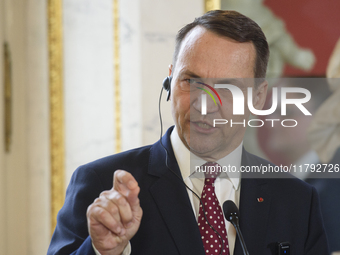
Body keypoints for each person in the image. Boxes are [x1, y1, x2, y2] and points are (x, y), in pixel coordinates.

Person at [47, 10, 329, 255]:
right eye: (191, 81)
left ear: (257, 98)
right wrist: (101, 251)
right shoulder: (101, 185)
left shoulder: (297, 200)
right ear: (170, 80)